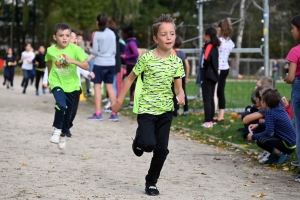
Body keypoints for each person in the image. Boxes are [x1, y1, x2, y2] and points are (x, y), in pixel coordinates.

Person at [110, 14, 185, 196]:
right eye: (164, 34)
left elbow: (178, 87)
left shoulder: (176, 62)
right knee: (148, 145)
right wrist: (119, 101)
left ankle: (151, 182)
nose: (169, 37)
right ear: (155, 38)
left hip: (166, 110)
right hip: (146, 109)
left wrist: (181, 95)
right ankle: (139, 140)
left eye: (172, 34)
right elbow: (129, 79)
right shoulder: (146, 59)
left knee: (161, 150)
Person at [43, 29, 94, 149]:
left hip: (72, 85)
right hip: (57, 83)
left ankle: (63, 134)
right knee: (61, 105)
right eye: (61, 36)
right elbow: (48, 63)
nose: (64, 38)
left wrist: (72, 61)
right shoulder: (50, 50)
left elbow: (86, 66)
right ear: (55, 37)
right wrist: (49, 79)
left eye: (67, 35)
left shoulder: (76, 50)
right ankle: (57, 129)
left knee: (69, 113)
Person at [247, 88, 296, 165]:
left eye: (262, 100)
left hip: (287, 144)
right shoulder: (279, 108)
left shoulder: (270, 113)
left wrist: (253, 136)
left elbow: (269, 132)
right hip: (292, 143)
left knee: (261, 140)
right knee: (264, 137)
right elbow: (272, 124)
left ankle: (281, 154)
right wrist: (258, 124)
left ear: (265, 103)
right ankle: (274, 155)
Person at [87, 13, 118, 121]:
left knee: (97, 87)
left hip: (100, 63)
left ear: (97, 22)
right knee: (110, 88)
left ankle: (98, 113)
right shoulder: (112, 34)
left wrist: (88, 49)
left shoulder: (96, 34)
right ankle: (114, 114)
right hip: (111, 63)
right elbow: (114, 50)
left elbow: (95, 51)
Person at [284, 14, 300, 182]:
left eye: (293, 28)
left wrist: (286, 78)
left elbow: (291, 77)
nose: (291, 31)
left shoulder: (295, 50)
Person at [197, 27, 220, 128]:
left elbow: (205, 60)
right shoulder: (213, 46)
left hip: (207, 75)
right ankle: (211, 119)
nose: (203, 37)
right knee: (210, 97)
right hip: (213, 75)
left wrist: (204, 72)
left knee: (207, 98)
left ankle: (208, 121)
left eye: (204, 35)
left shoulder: (209, 46)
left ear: (207, 36)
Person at [214, 18, 235, 122]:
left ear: (220, 28)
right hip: (225, 68)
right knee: (220, 92)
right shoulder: (230, 42)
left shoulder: (217, 41)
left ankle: (212, 113)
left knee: (214, 92)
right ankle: (221, 115)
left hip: (217, 68)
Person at [121, 25, 139, 109]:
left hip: (132, 65)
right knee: (132, 83)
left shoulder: (131, 43)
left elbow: (136, 53)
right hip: (130, 64)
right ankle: (132, 101)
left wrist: (126, 57)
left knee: (131, 83)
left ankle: (132, 102)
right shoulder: (131, 41)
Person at [172, 35, 190, 117]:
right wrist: (187, 76)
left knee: (174, 93)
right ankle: (185, 110)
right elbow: (187, 65)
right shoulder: (183, 53)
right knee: (183, 92)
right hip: (182, 76)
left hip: (174, 76)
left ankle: (176, 111)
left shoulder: (172, 53)